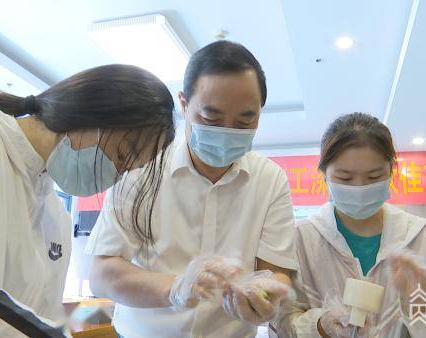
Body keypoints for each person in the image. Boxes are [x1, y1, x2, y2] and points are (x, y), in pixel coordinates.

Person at [0, 64, 175, 337]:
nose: (115, 176)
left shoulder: (56, 220)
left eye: (124, 172)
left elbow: (36, 317)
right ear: (91, 112)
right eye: (121, 156)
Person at [86, 40, 296, 338]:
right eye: (211, 117)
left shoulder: (270, 179)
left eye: (245, 120)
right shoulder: (143, 166)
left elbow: (276, 271)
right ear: (184, 105)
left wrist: (268, 295)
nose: (227, 131)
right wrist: (175, 288)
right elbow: (102, 273)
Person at [276, 113, 426, 338]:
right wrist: (321, 325)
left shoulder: (420, 234)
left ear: (391, 171)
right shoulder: (301, 238)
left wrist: (417, 308)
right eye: (345, 178)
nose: (360, 187)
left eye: (373, 177)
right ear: (324, 175)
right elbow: (282, 323)